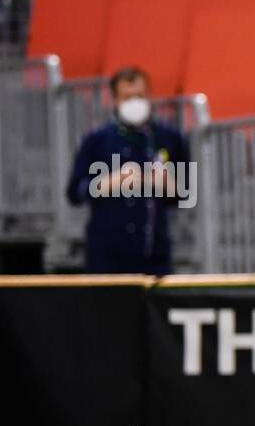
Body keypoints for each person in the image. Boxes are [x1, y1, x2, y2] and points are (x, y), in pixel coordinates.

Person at [65, 66, 190, 275]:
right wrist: (108, 183)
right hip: (107, 258)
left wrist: (168, 185)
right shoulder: (97, 140)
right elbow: (74, 192)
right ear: (115, 100)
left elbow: (186, 193)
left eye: (140, 96)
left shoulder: (169, 138)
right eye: (127, 97)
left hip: (154, 257)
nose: (134, 102)